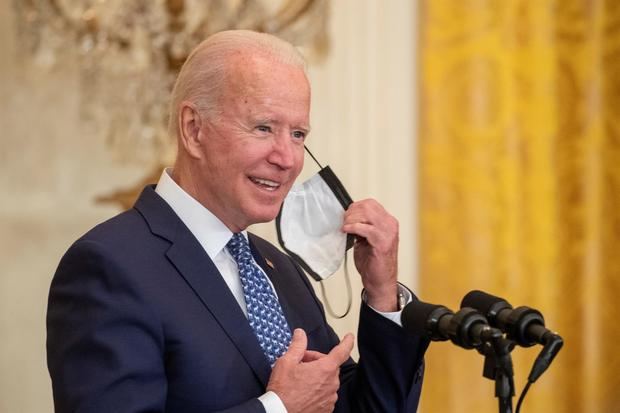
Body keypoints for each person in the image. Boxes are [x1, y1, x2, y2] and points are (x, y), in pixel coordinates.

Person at [47, 30, 428, 413]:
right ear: (194, 130)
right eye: (263, 128)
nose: (286, 158)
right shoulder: (109, 267)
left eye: (298, 135)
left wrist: (383, 295)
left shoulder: (278, 268)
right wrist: (277, 407)